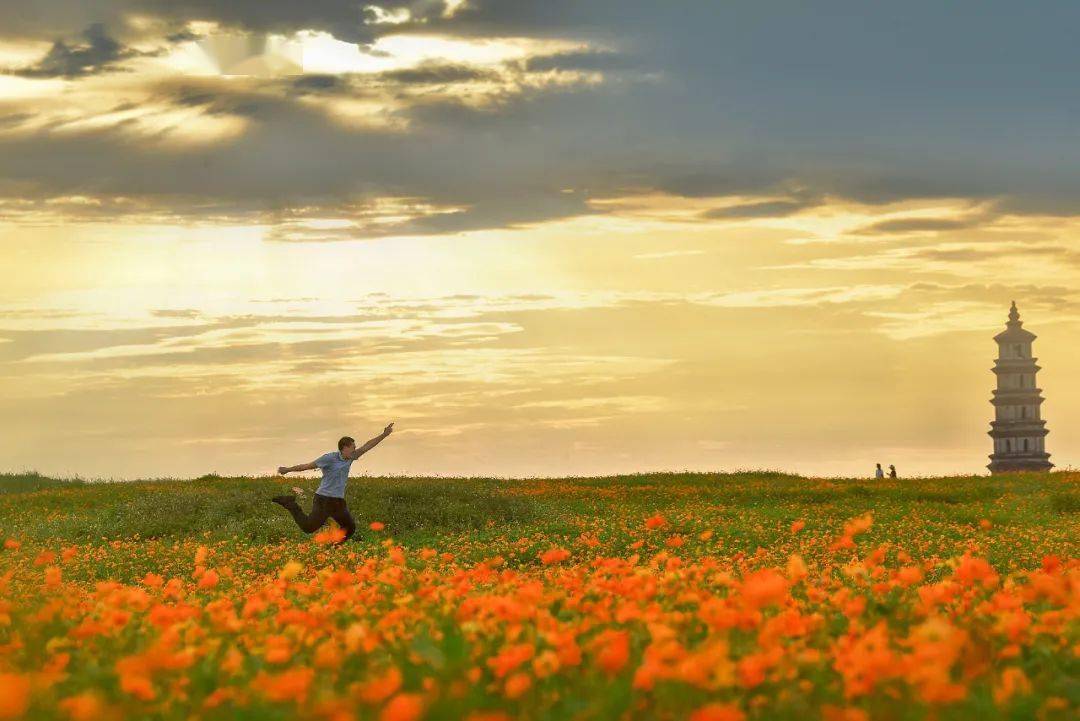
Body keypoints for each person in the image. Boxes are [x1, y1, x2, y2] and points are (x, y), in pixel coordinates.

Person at [272, 423, 394, 543]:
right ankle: (290, 503)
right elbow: (307, 466)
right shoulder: (329, 458)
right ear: (344, 448)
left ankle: (332, 549)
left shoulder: (351, 457)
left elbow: (367, 446)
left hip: (338, 502)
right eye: (353, 447)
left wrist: (384, 434)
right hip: (323, 500)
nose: (355, 450)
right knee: (308, 528)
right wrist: (288, 469)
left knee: (349, 528)